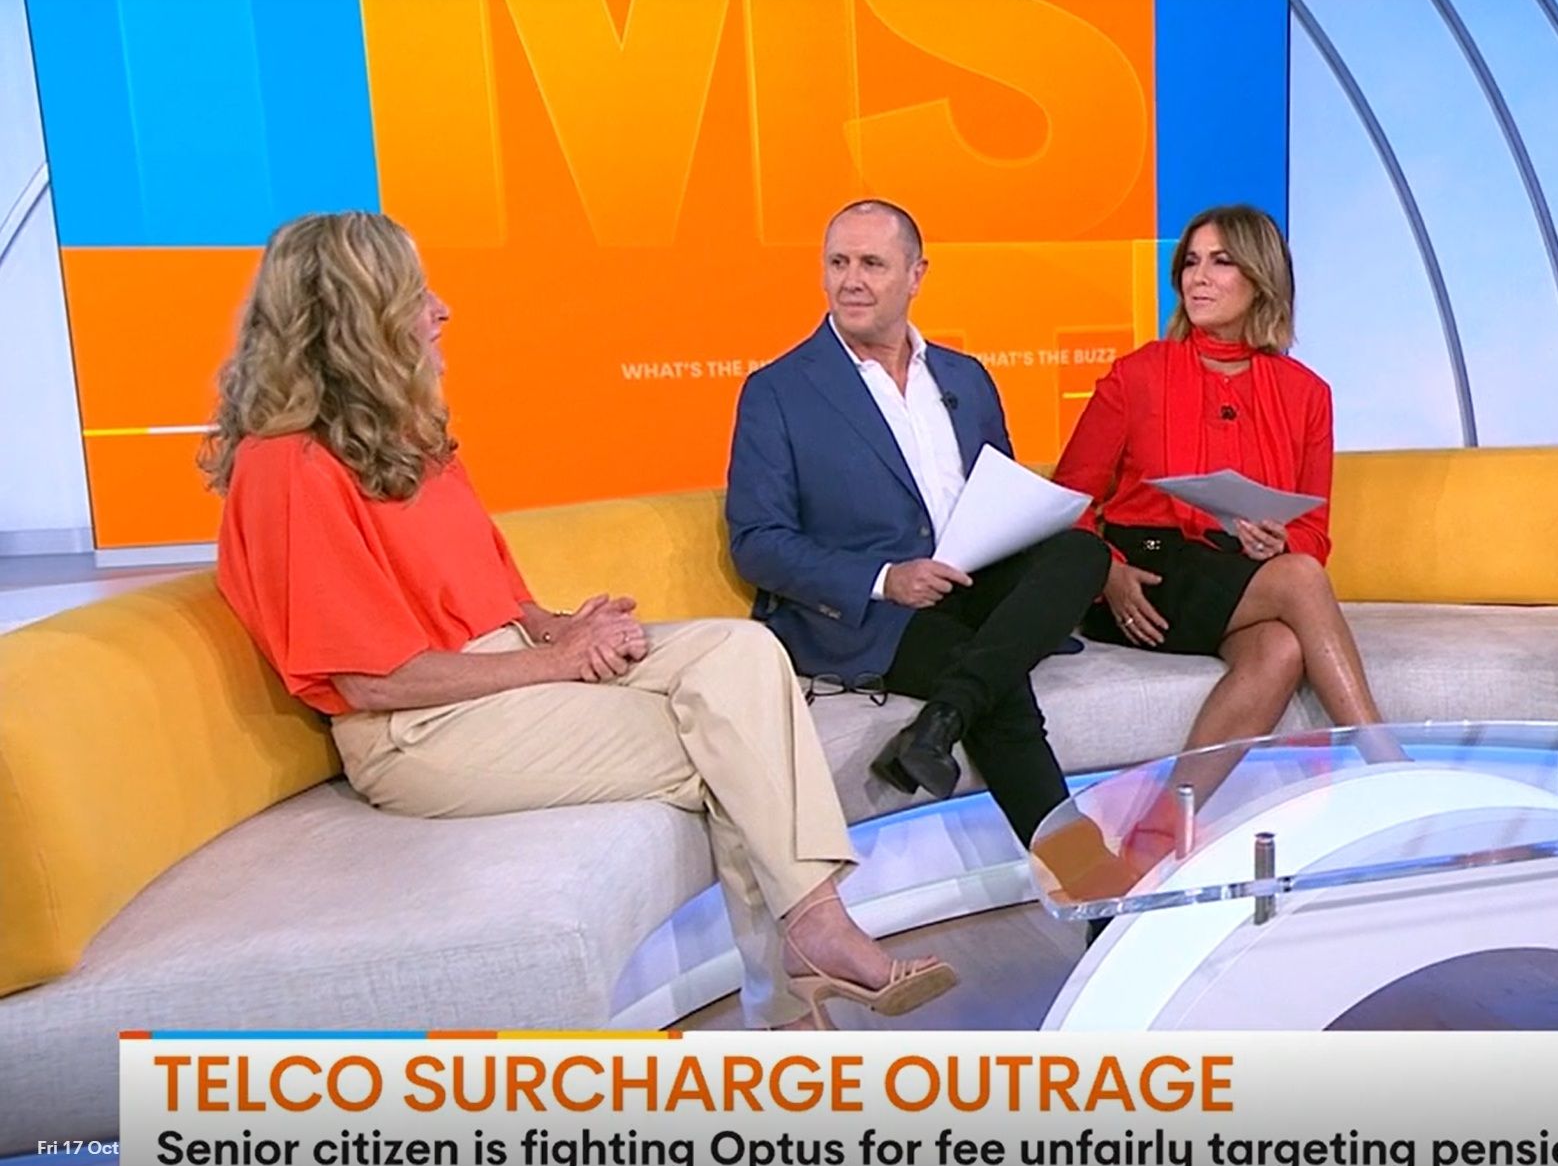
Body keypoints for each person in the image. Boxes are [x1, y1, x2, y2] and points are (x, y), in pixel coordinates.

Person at [204, 210, 953, 1032]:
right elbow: (371, 680)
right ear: (356, 319)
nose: (441, 310)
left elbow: (488, 594)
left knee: (743, 653)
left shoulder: (400, 436)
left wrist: (555, 626)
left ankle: (799, 979)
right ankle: (805, 970)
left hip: (498, 678)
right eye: (415, 295)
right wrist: (558, 661)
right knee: (736, 744)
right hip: (422, 730)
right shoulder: (287, 469)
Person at [726, 200, 1110, 844]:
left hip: (970, 582)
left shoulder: (965, 377)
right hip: (873, 615)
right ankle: (1090, 879)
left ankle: (942, 719)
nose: (851, 281)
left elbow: (999, 496)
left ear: (916, 275)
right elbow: (757, 542)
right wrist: (886, 578)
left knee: (1082, 554)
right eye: (838, 263)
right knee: (999, 687)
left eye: (871, 264)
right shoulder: (778, 391)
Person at [1045, 205, 1388, 892]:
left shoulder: (1305, 393)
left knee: (1281, 648)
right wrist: (1106, 570)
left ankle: (1153, 838)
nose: (1198, 278)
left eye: (1220, 262)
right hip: (1141, 576)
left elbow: (1313, 534)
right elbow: (1067, 498)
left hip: (1236, 576)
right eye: (1191, 263)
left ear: (1261, 279)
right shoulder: (1137, 375)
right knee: (1298, 579)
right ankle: (1389, 770)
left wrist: (1277, 537)